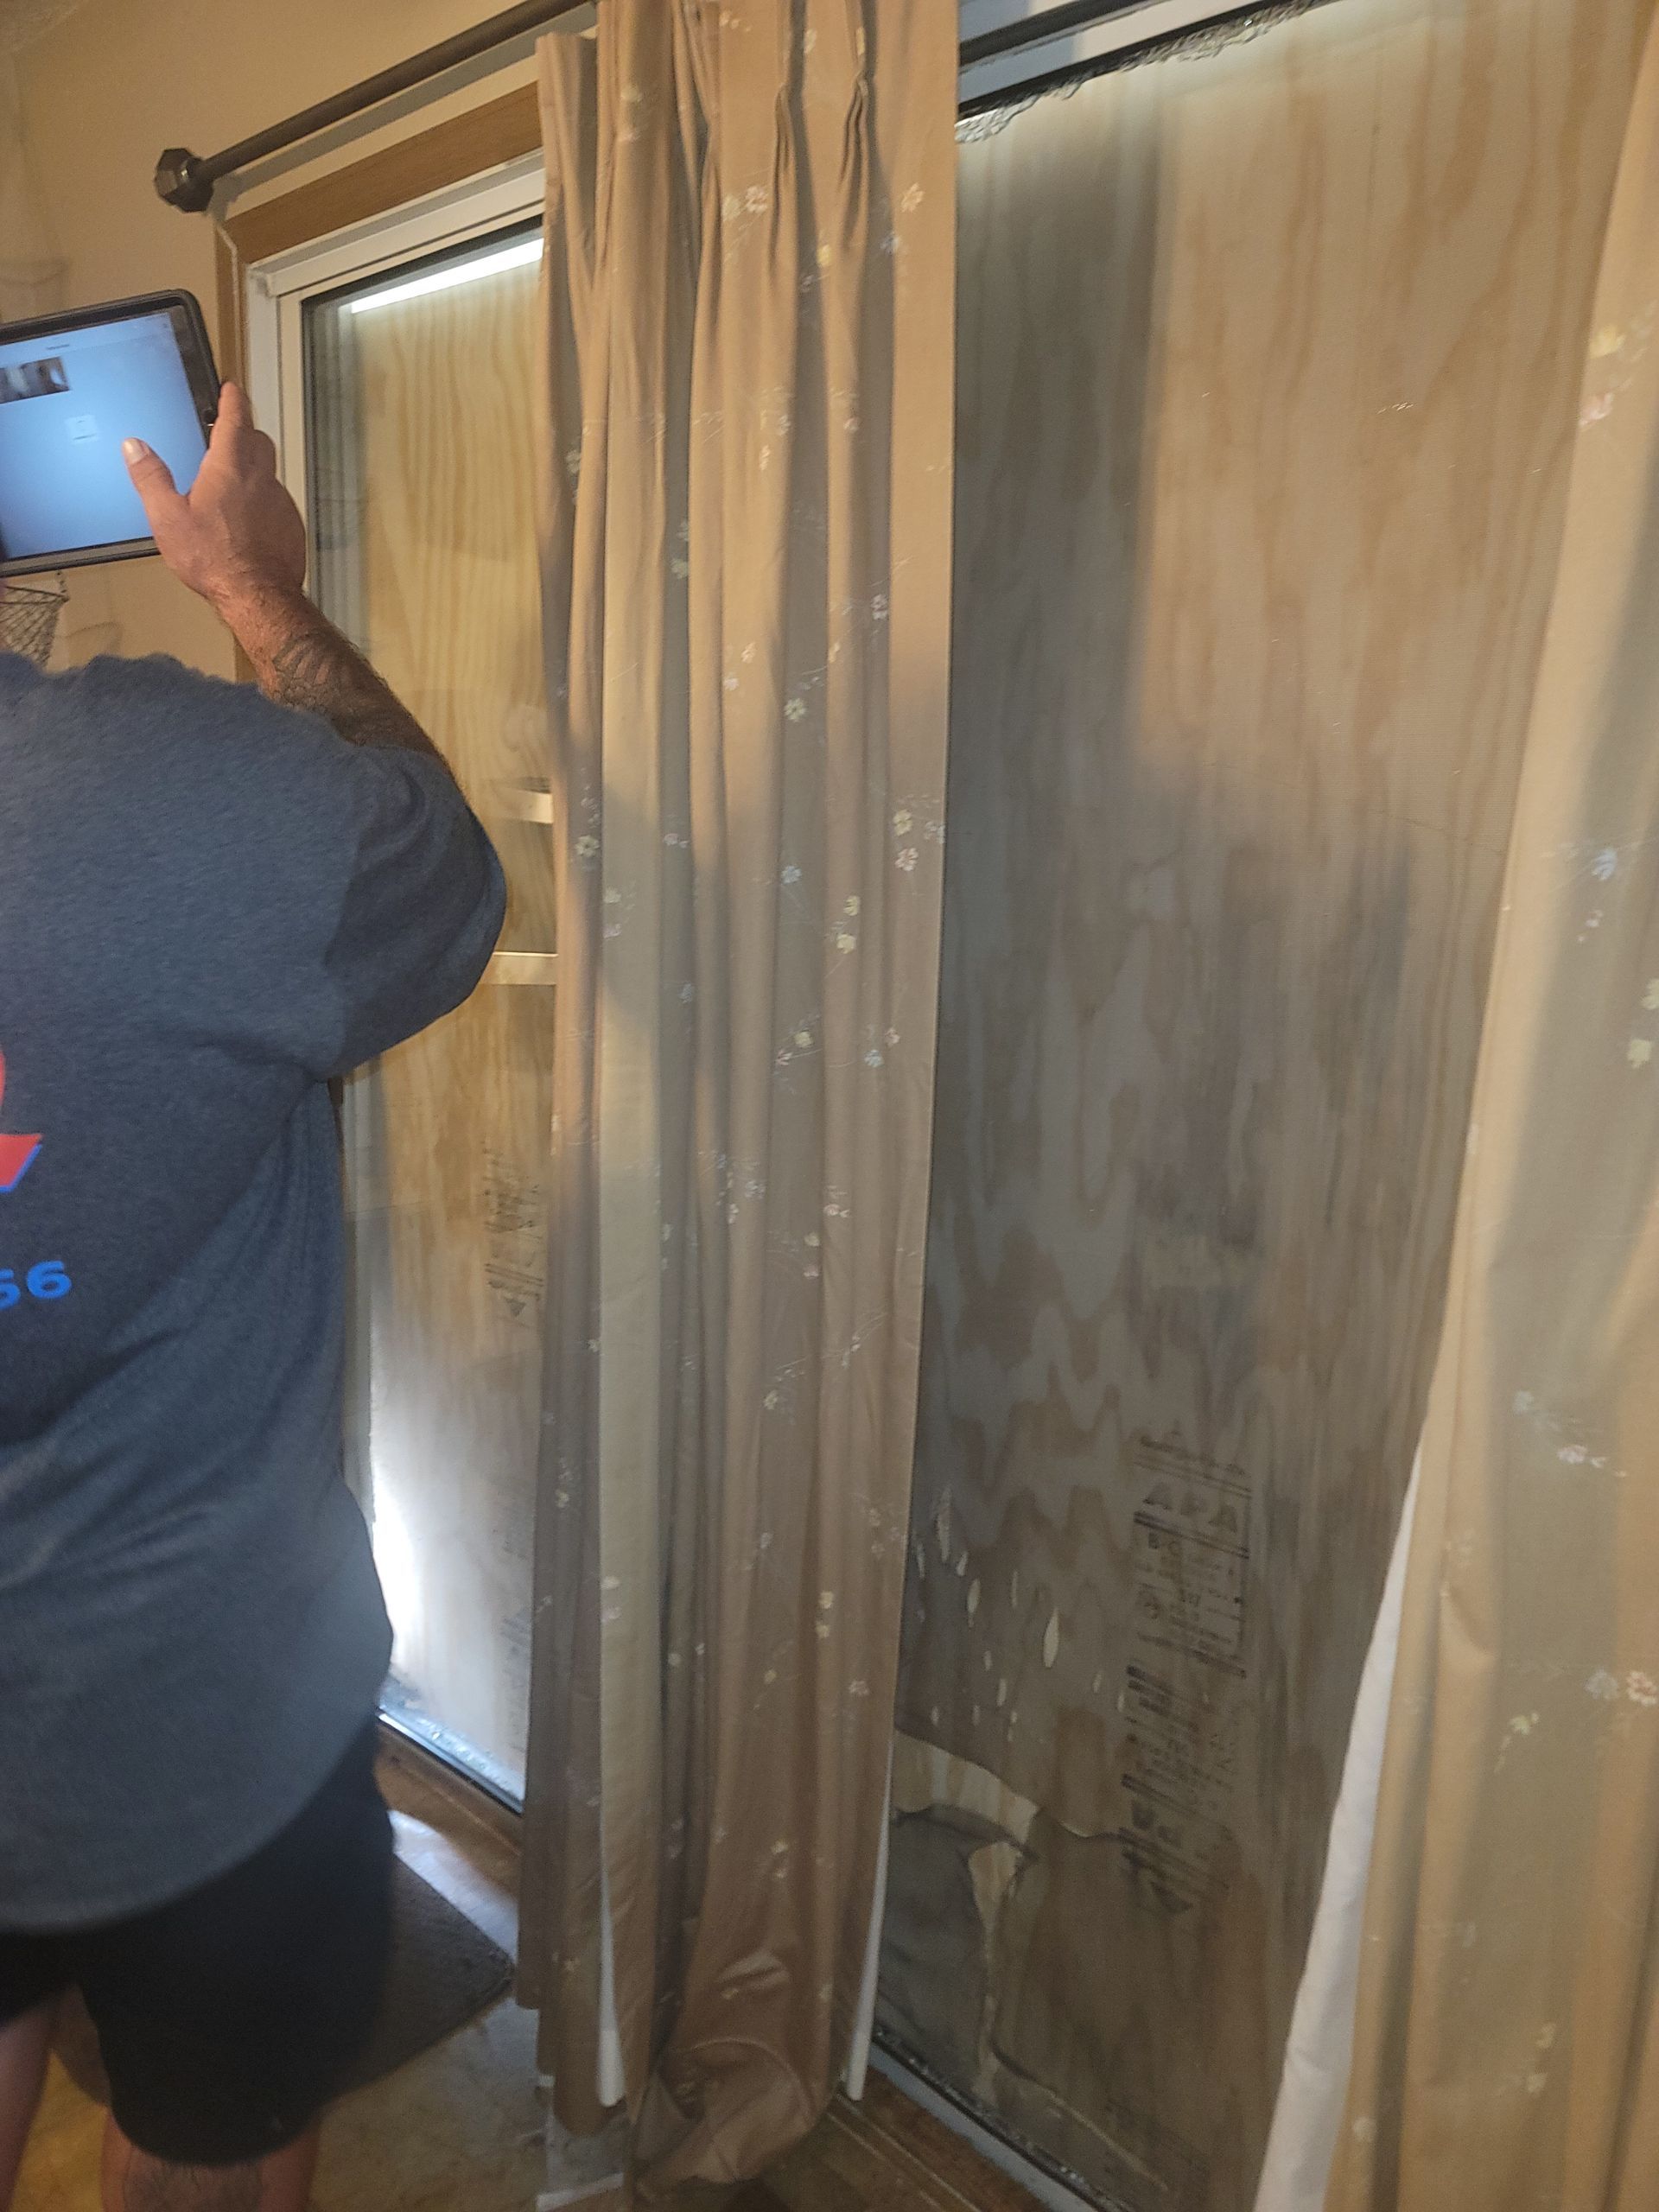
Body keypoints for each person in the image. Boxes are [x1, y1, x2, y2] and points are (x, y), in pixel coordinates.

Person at [0, 385, 507, 2212]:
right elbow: (447, 866)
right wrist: (257, 596)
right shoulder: (175, 789)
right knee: (209, 2148)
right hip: (204, 1721)